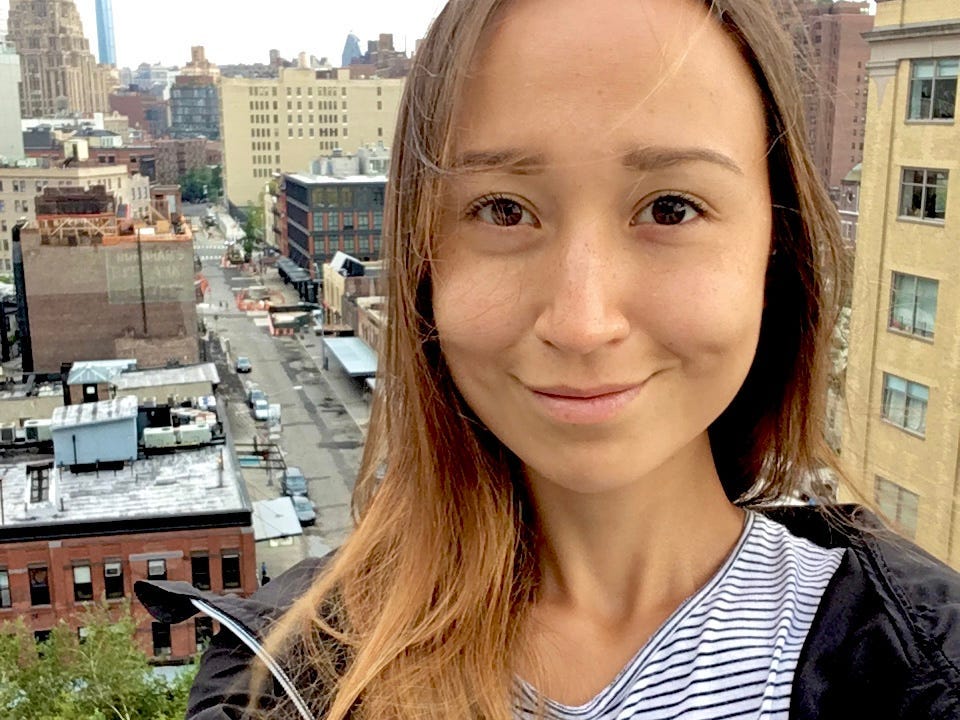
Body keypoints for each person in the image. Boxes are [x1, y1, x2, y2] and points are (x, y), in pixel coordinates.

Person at [135, 0, 960, 718]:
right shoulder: (285, 679)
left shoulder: (926, 667)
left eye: (670, 207)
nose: (583, 321)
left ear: (776, 252)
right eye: (503, 209)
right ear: (424, 261)